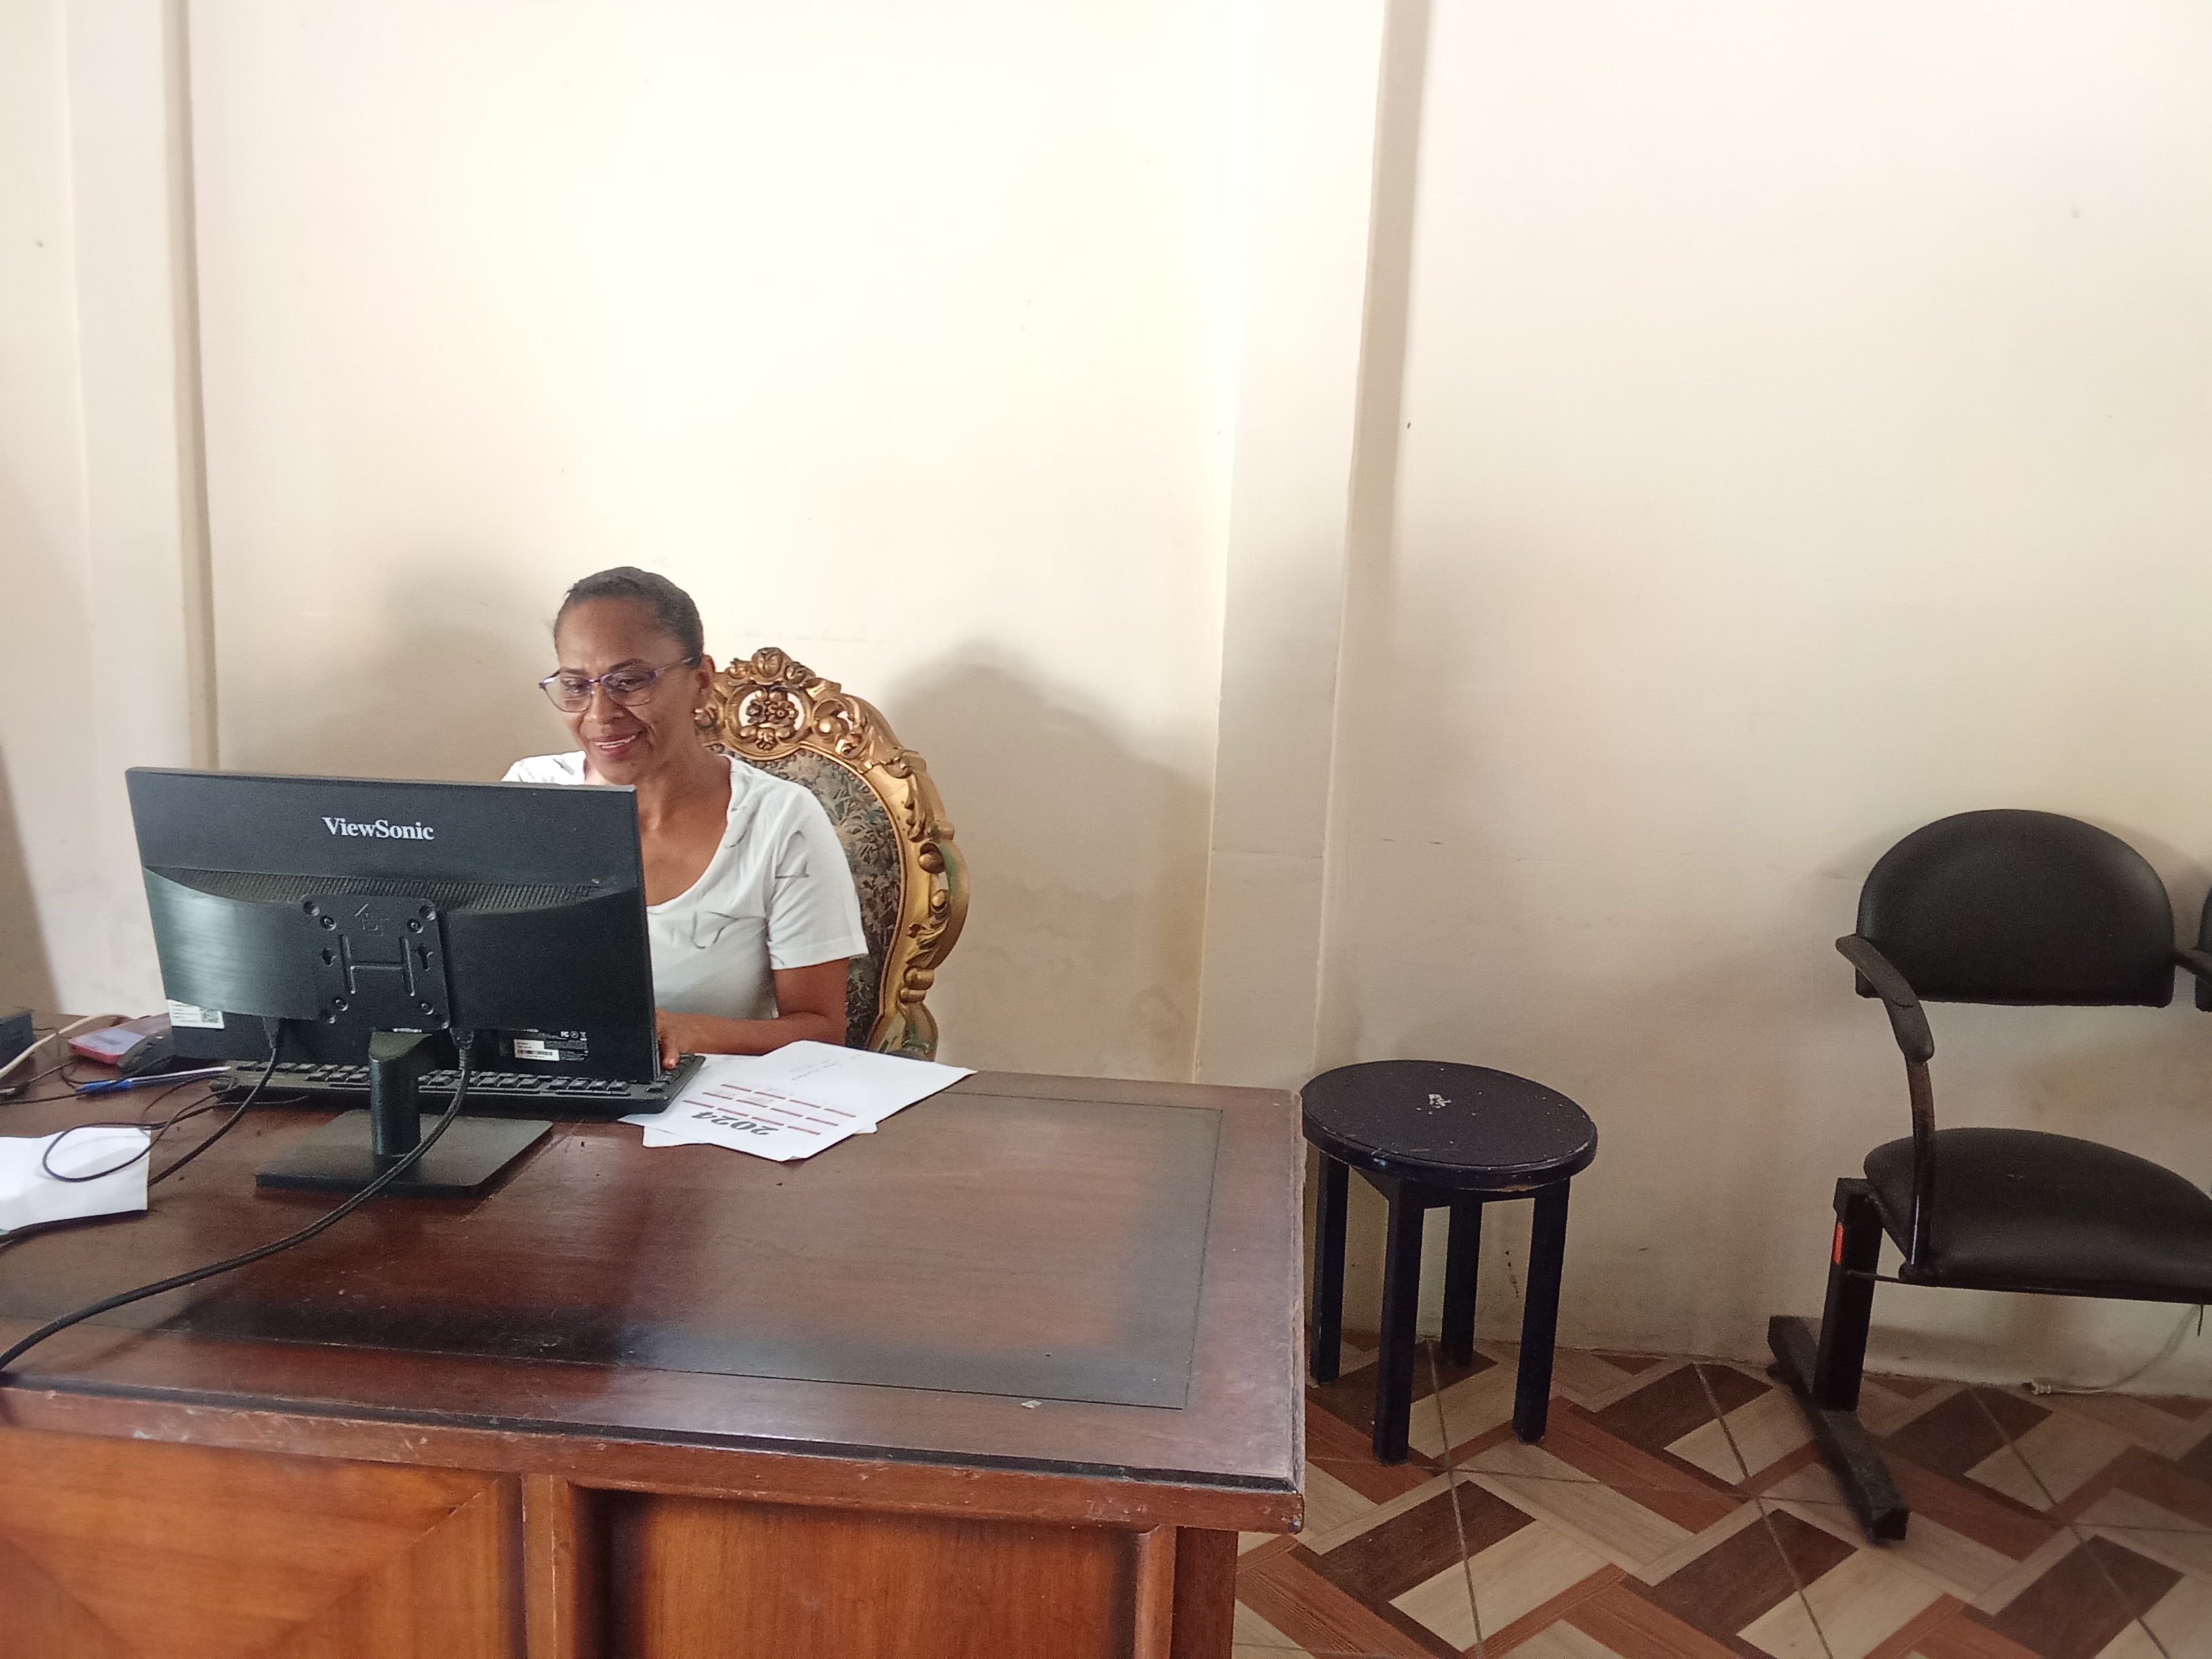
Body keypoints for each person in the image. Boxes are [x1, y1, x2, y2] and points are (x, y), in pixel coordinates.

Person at [505, 567, 865, 1067]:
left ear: (701, 682)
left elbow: (822, 1031)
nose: (600, 714)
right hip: (538, 1089)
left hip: (709, 1101)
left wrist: (686, 1032)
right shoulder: (529, 797)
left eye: (629, 682)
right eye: (576, 686)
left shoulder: (780, 822)